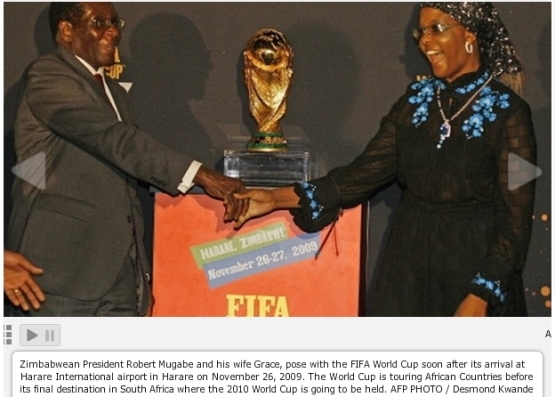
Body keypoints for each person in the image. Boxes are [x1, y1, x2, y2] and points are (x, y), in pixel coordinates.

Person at [232, 2, 536, 317]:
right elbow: (361, 174)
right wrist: (272, 198)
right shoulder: (413, 104)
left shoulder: (512, 115)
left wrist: (481, 294)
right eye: (421, 31)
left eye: (437, 29)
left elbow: (515, 222)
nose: (424, 42)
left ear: (470, 34)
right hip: (408, 271)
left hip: (472, 271)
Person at [5, 2, 246, 317]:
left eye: (116, 22)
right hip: (57, 278)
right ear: (66, 31)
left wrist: (139, 276)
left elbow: (124, 185)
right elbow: (115, 140)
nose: (114, 32)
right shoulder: (48, 76)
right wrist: (201, 174)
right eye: (99, 22)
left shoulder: (116, 93)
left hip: (120, 277)